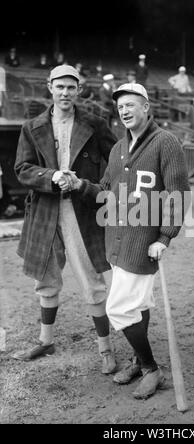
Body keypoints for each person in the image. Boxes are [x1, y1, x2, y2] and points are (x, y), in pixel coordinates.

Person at [65, 83, 191, 400]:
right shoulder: (119, 148)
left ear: (146, 107)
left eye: (131, 105)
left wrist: (165, 236)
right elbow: (106, 191)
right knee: (138, 304)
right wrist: (81, 184)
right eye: (120, 107)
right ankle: (138, 359)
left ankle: (151, 368)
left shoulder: (166, 142)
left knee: (119, 308)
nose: (124, 111)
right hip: (118, 241)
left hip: (143, 242)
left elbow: (177, 195)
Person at [13, 65, 118, 374]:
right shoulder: (32, 127)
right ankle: (46, 341)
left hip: (80, 210)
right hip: (45, 210)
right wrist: (52, 175)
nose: (65, 93)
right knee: (44, 278)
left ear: (79, 90)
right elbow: (22, 168)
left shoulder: (96, 124)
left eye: (71, 88)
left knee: (91, 279)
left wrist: (90, 187)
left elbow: (114, 165)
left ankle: (106, 348)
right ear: (49, 88)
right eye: (60, 87)